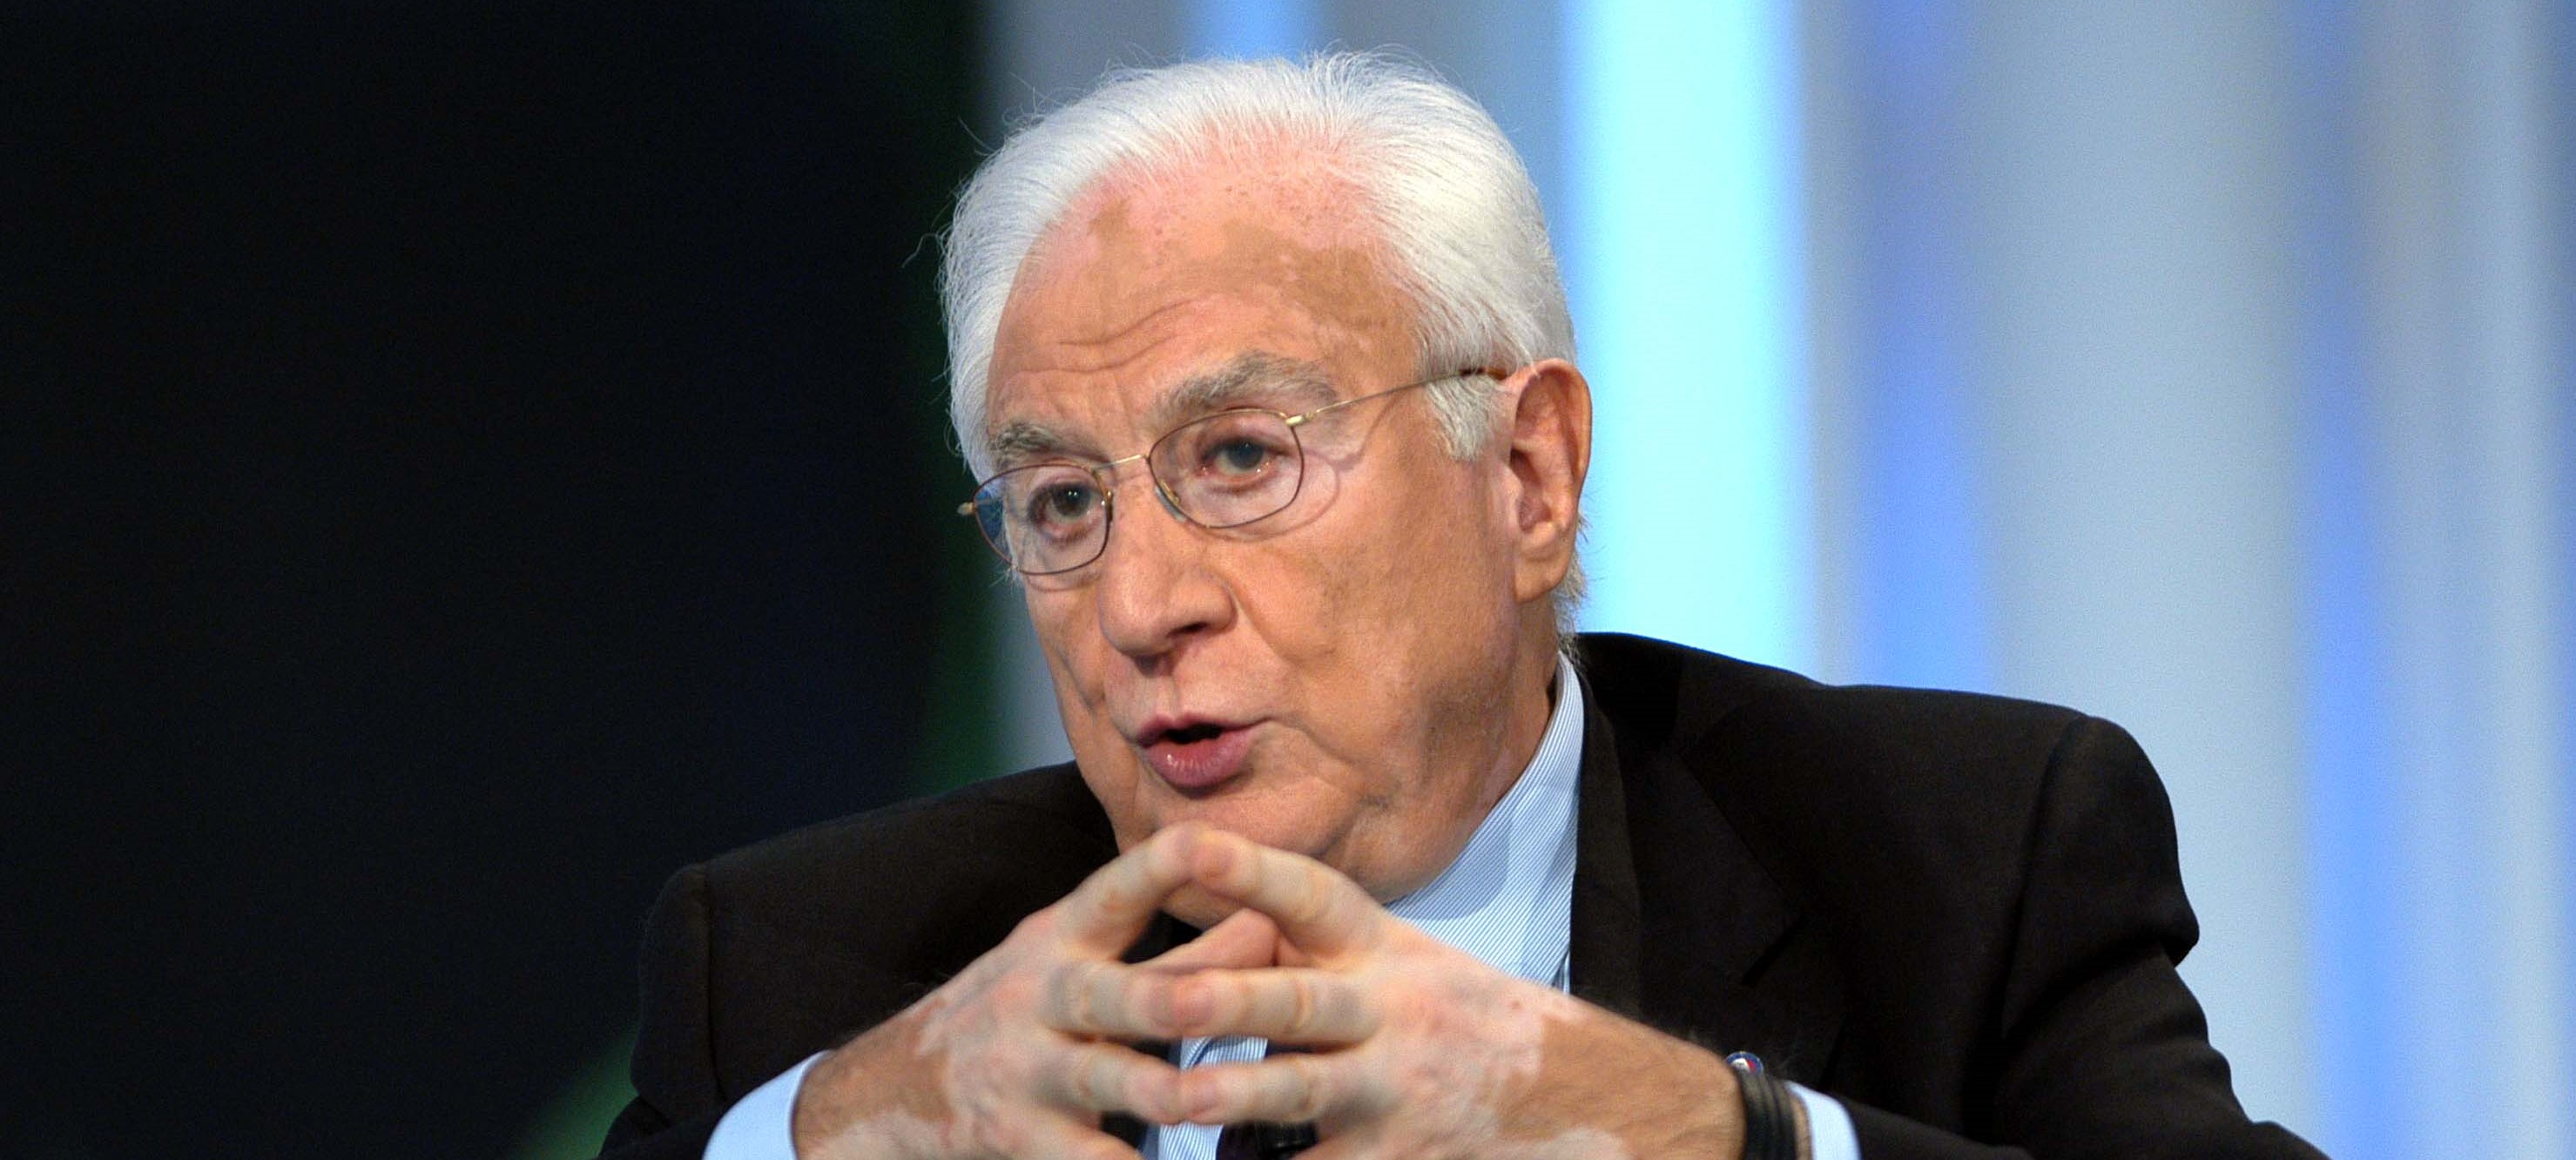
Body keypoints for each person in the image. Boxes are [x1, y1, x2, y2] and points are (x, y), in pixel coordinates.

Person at [597, 52, 2323, 1160]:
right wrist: (830, 1132)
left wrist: (1721, 1138)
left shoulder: (1956, 859)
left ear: (1530, 476)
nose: (1136, 605)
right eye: (1062, 502)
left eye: (1242, 457)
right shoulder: (807, 971)